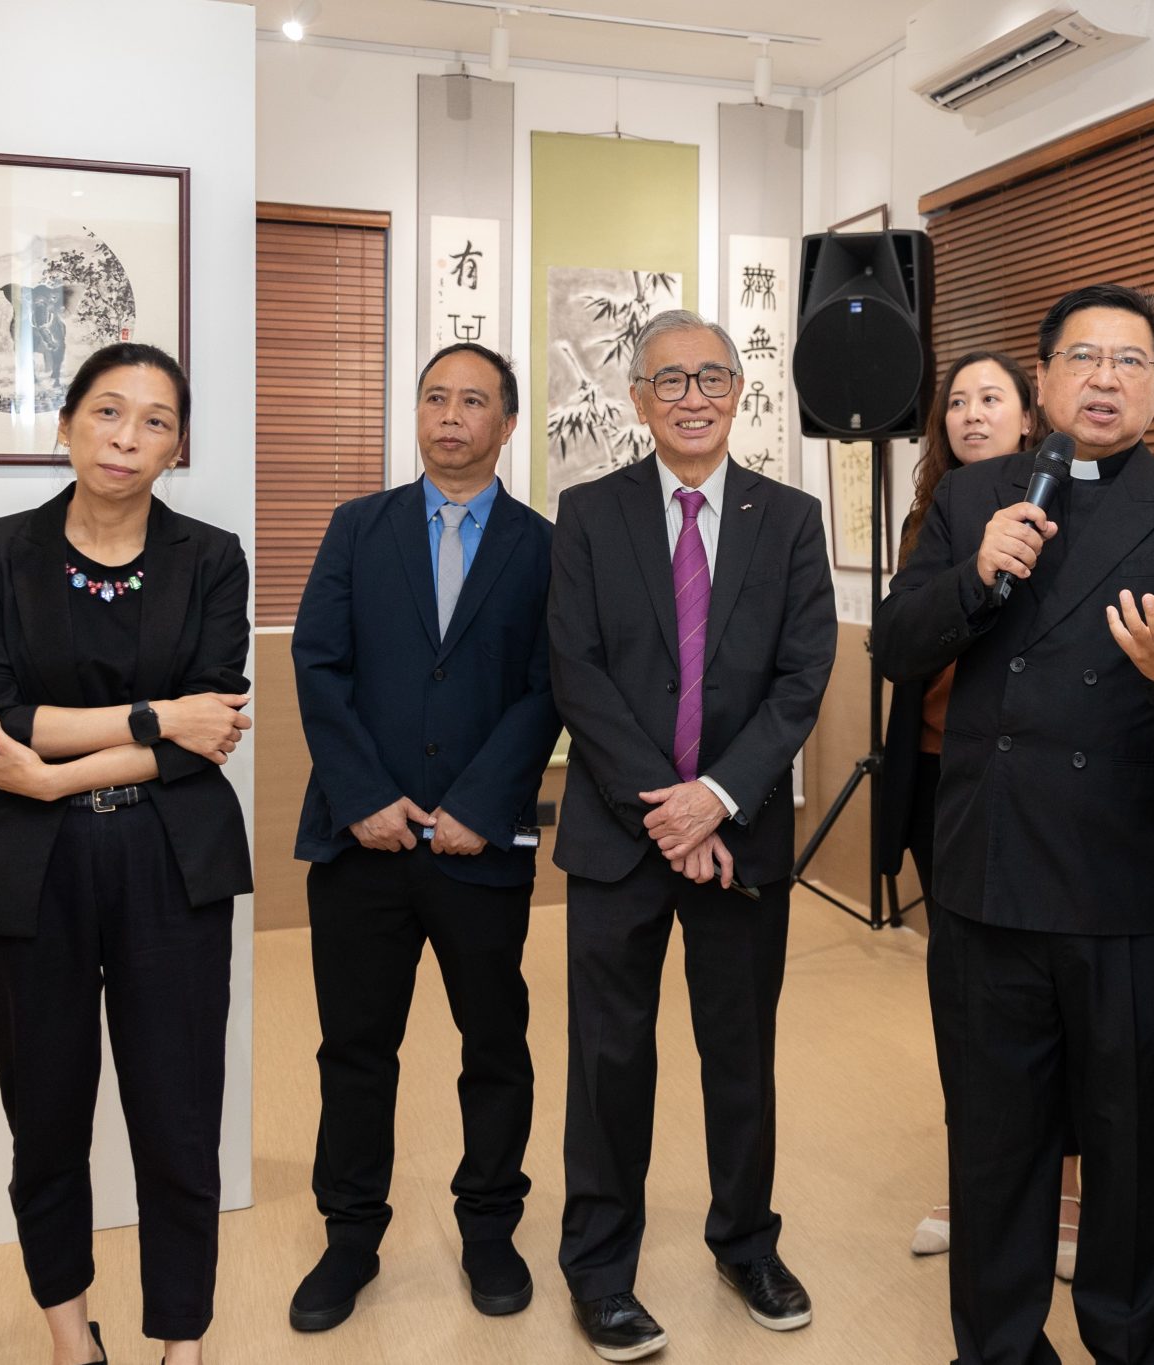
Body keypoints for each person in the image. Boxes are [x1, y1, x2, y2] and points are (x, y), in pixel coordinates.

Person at [875, 284, 1154, 1365]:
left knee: (1128, 1149)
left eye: (1130, 362)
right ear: (1041, 380)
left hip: (1119, 888)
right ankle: (997, 1347)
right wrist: (973, 573)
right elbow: (897, 647)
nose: (1104, 379)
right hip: (985, 881)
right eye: (1082, 358)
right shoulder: (973, 500)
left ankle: (1124, 1343)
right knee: (993, 1144)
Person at [0, 342, 254, 1365]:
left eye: (155, 421)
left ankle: (182, 1343)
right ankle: (72, 1341)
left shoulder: (211, 558)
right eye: (108, 412)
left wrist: (55, 774)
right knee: (45, 1120)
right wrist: (155, 715)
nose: (127, 437)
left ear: (177, 446)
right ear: (67, 423)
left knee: (178, 1113)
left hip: (171, 864)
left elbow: (213, 730)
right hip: (26, 876)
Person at [548, 309, 836, 1361]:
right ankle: (599, 1268)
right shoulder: (588, 513)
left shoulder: (788, 518)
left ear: (739, 391)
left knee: (740, 1052)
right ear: (638, 399)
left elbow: (803, 674)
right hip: (620, 835)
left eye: (712, 377)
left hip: (739, 833)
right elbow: (575, 669)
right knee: (608, 1058)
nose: (693, 397)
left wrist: (716, 795)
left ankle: (745, 1243)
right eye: (669, 380)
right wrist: (669, 809)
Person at [286, 342, 560, 1332]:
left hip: (479, 847)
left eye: (472, 401)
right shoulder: (357, 527)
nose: (450, 416)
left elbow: (549, 686)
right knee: (356, 1049)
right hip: (362, 842)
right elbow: (317, 664)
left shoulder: (544, 547)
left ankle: (489, 1226)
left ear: (506, 424)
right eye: (435, 398)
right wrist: (363, 795)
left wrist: (482, 806)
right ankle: (349, 1236)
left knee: (495, 1045)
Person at [881, 351, 1084, 1282]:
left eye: (990, 398)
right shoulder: (937, 514)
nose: (970, 414)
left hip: (1041, 788)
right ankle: (979, 1184)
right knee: (965, 1000)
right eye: (956, 401)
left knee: (1053, 996)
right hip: (940, 779)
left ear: (1030, 414)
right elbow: (901, 642)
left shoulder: (1069, 507)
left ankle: (1066, 1188)